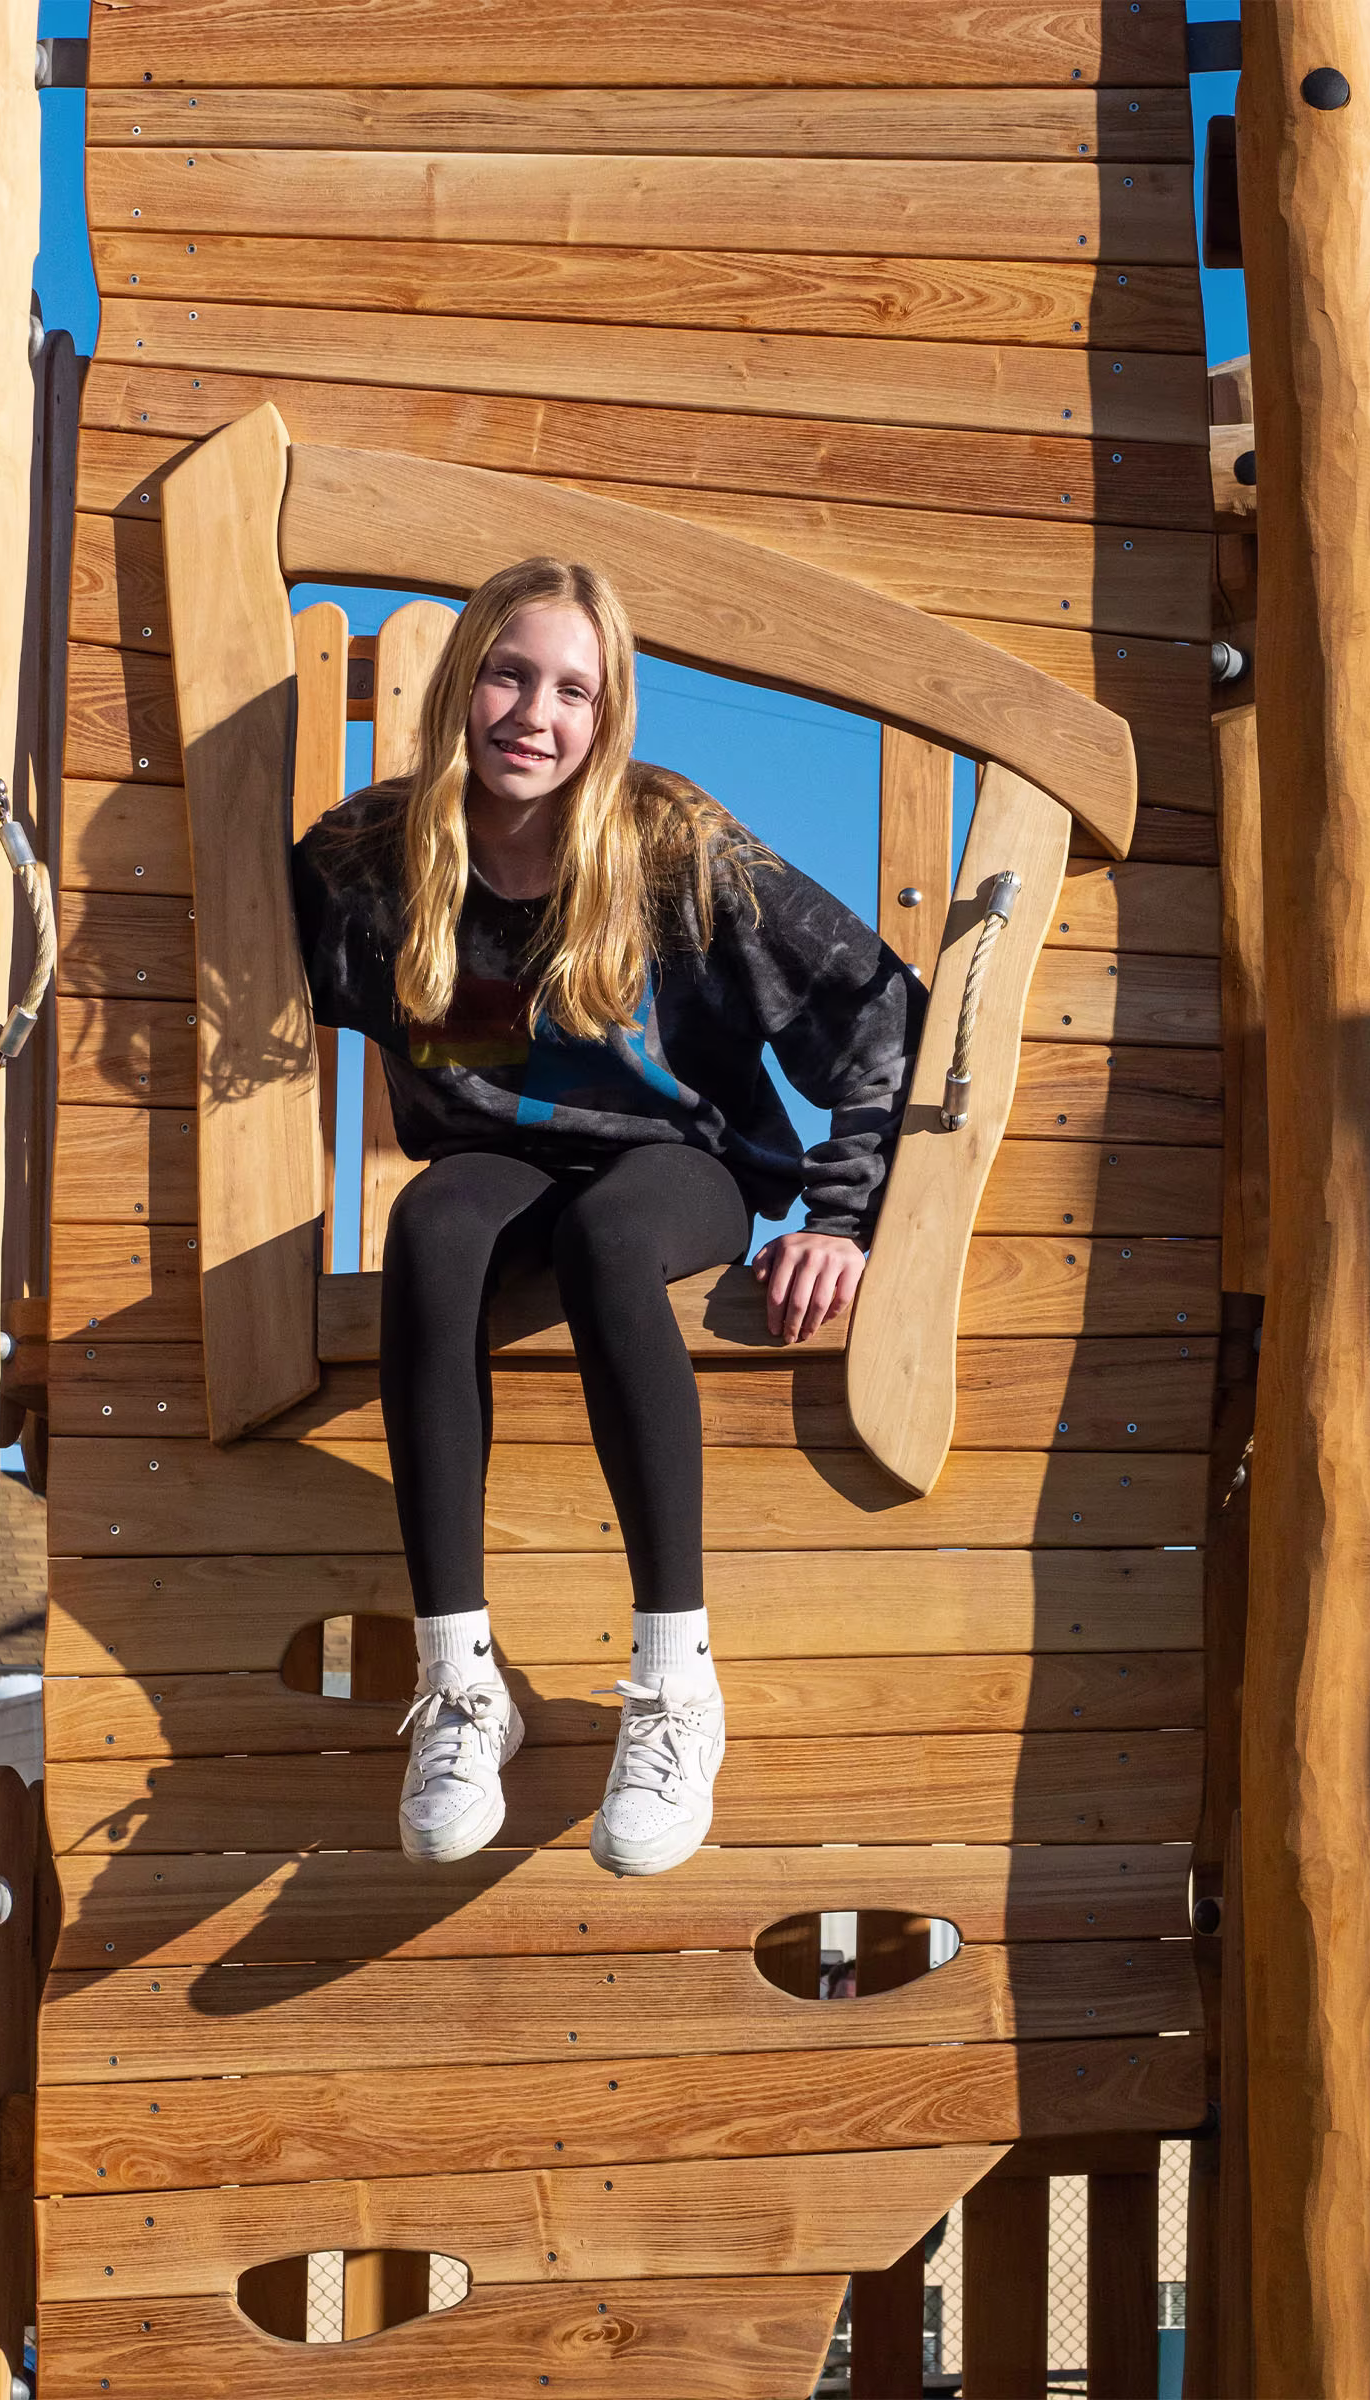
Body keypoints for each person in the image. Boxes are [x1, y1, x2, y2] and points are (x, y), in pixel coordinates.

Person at [291, 556, 924, 1877]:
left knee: (609, 1239)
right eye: (511, 675)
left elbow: (878, 1001)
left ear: (607, 717)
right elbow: (198, 953)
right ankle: (463, 1684)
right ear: (465, 684)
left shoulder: (667, 841)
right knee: (431, 1228)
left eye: (572, 690)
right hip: (494, 1173)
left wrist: (845, 1216)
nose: (535, 712)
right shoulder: (368, 861)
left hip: (674, 1168)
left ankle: (677, 1680)